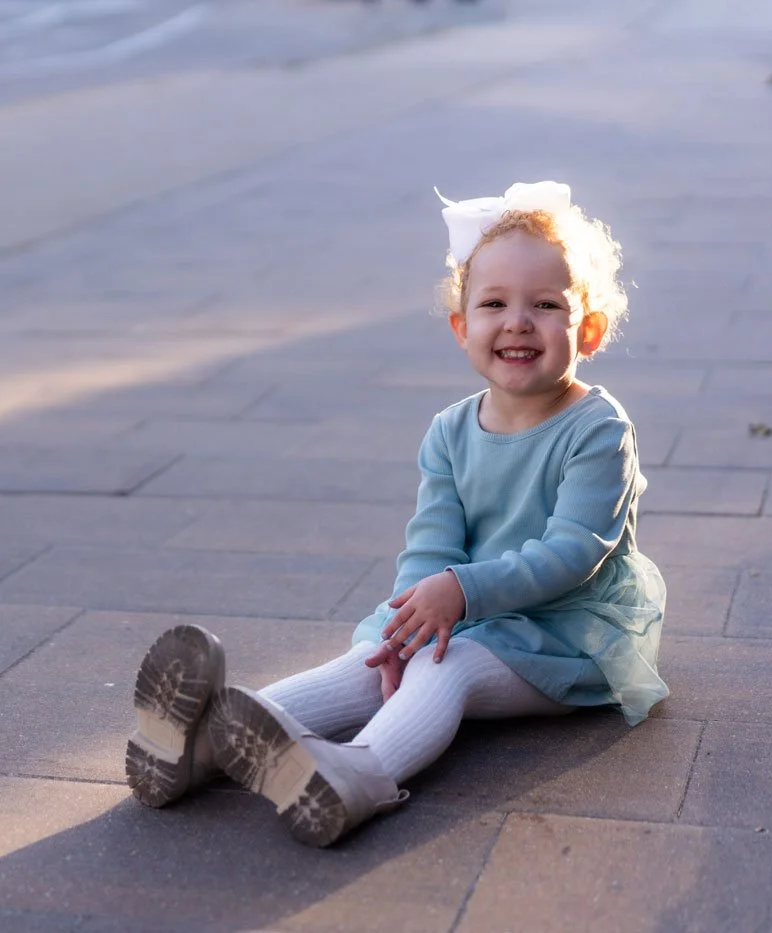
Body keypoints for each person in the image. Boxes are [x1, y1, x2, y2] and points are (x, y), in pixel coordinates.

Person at [124, 181, 668, 847]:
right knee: (375, 655)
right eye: (494, 303)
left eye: (545, 305)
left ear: (588, 327)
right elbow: (431, 540)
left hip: (567, 635)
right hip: (463, 607)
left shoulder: (598, 428)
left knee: (450, 666)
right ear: (462, 327)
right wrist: (409, 616)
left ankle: (361, 774)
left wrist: (460, 595)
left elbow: (574, 553)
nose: (518, 320)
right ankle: (210, 742)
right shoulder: (448, 430)